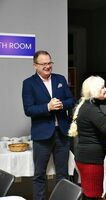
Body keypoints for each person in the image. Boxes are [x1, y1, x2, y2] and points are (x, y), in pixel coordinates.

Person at [22, 50, 75, 200]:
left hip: (62, 134)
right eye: (43, 64)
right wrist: (47, 107)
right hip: (42, 135)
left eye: (49, 63)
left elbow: (71, 101)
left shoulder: (60, 79)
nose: (47, 66)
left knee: (63, 174)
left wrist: (60, 104)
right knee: (39, 174)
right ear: (35, 65)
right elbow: (28, 109)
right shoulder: (28, 83)